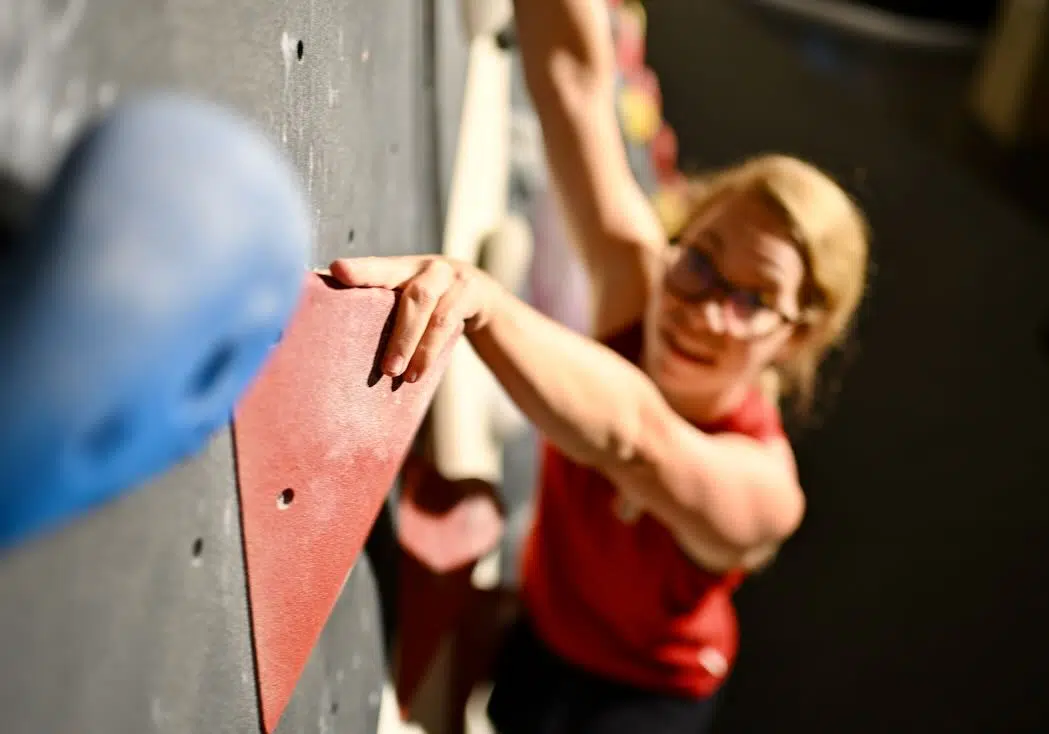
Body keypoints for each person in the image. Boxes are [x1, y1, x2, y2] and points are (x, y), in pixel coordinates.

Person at [329, 1, 869, 731]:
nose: (704, 311)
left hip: (640, 701)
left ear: (796, 336)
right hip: (545, 632)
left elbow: (636, 438)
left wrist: (483, 301)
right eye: (702, 261)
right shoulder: (639, 287)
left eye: (752, 300)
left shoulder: (766, 489)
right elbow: (574, 83)